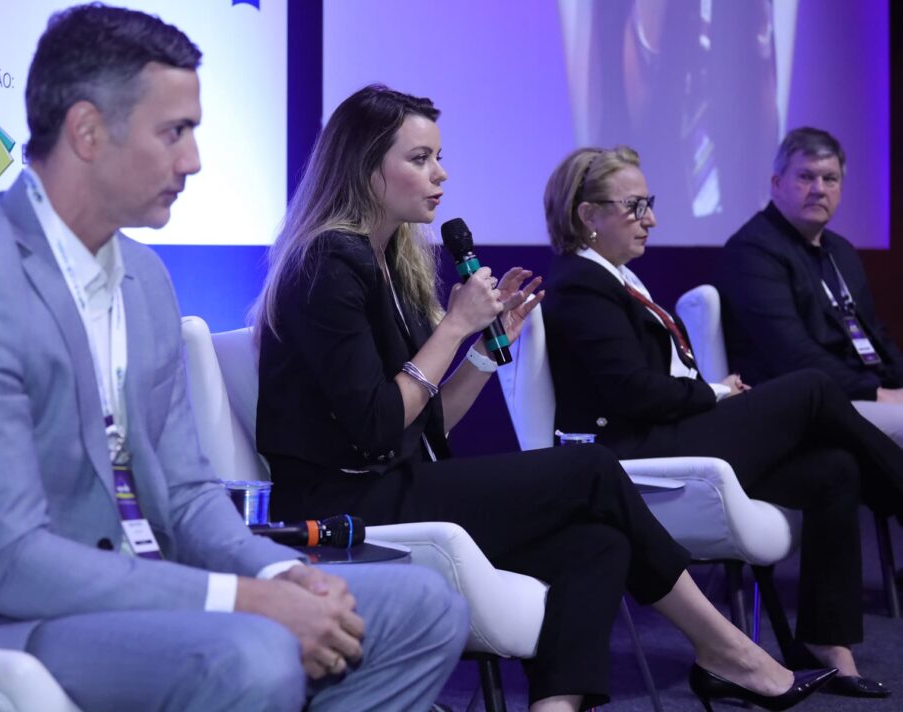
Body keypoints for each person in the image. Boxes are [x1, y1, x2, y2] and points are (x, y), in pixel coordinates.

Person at [0, 7, 470, 711]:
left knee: (424, 606)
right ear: (87, 131)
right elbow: (9, 560)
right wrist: (242, 600)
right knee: (252, 653)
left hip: (134, 591)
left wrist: (282, 575)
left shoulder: (144, 278)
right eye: (174, 132)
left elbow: (189, 495)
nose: (193, 160)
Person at [254, 84, 833, 712]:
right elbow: (376, 426)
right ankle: (727, 652)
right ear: (364, 167)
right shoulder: (327, 262)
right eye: (420, 159)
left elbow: (425, 426)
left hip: (392, 479)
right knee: (589, 468)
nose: (441, 174)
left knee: (598, 541)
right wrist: (453, 327)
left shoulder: (390, 261)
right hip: (338, 506)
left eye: (440, 157)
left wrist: (484, 350)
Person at [541, 144, 903, 699]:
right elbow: (633, 393)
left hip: (665, 433)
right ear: (588, 214)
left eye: (649, 203)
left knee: (833, 468)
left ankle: (829, 643)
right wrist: (715, 392)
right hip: (635, 451)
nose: (650, 219)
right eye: (635, 206)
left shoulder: (617, 278)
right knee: (812, 387)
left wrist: (713, 393)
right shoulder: (582, 285)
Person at [715, 127, 903, 448]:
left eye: (830, 179)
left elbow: (876, 336)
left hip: (859, 391)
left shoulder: (841, 251)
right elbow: (791, 354)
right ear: (777, 183)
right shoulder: (752, 252)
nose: (819, 189)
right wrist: (877, 394)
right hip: (801, 401)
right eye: (806, 177)